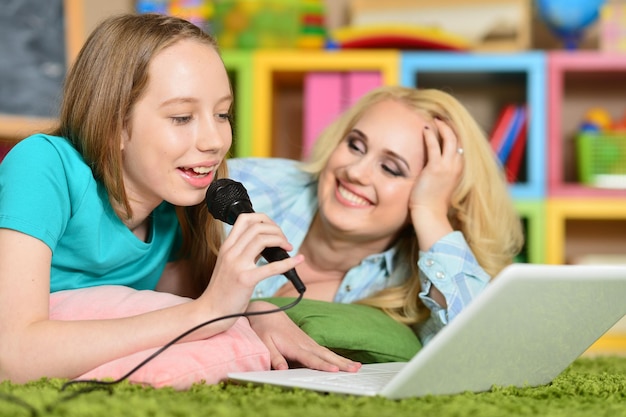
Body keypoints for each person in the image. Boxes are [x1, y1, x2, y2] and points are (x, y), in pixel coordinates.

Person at [0, 13, 359, 384]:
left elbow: (167, 316)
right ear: (114, 124)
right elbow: (12, 354)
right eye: (182, 117)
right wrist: (205, 313)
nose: (215, 141)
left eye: (222, 114)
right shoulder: (43, 165)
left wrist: (250, 311)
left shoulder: (175, 208)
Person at [227, 86, 525, 359]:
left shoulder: (417, 280)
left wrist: (430, 211)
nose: (356, 172)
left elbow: (486, 352)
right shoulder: (250, 185)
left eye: (391, 168)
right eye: (356, 146)